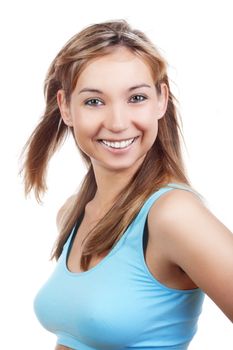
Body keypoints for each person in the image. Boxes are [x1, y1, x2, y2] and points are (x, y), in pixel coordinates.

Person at [21, 19, 233, 350]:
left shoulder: (173, 216)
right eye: (94, 101)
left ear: (160, 101)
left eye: (136, 98)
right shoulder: (72, 213)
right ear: (66, 107)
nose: (118, 123)